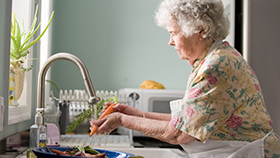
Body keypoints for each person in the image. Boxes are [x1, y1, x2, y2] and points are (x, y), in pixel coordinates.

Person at [90, 0, 280, 157]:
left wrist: (122, 120)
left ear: (199, 30)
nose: (170, 41)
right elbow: (187, 120)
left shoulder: (216, 67)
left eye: (173, 33)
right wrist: (137, 115)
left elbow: (179, 133)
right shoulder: (215, 58)